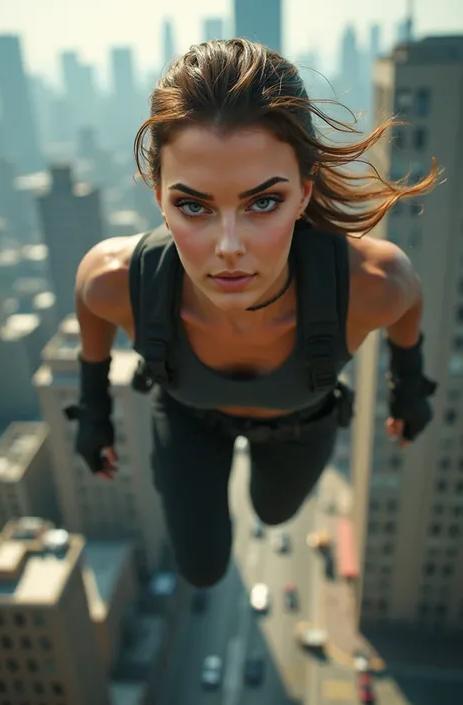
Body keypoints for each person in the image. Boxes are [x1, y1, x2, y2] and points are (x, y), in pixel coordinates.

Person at [67, 39, 438, 588]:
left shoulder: (370, 283)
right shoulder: (116, 279)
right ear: (160, 199)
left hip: (300, 426)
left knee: (274, 513)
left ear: (305, 193)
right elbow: (90, 308)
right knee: (200, 568)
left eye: (263, 202)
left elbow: (408, 307)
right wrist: (93, 407)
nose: (229, 247)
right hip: (188, 419)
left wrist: (409, 386)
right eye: (193, 206)